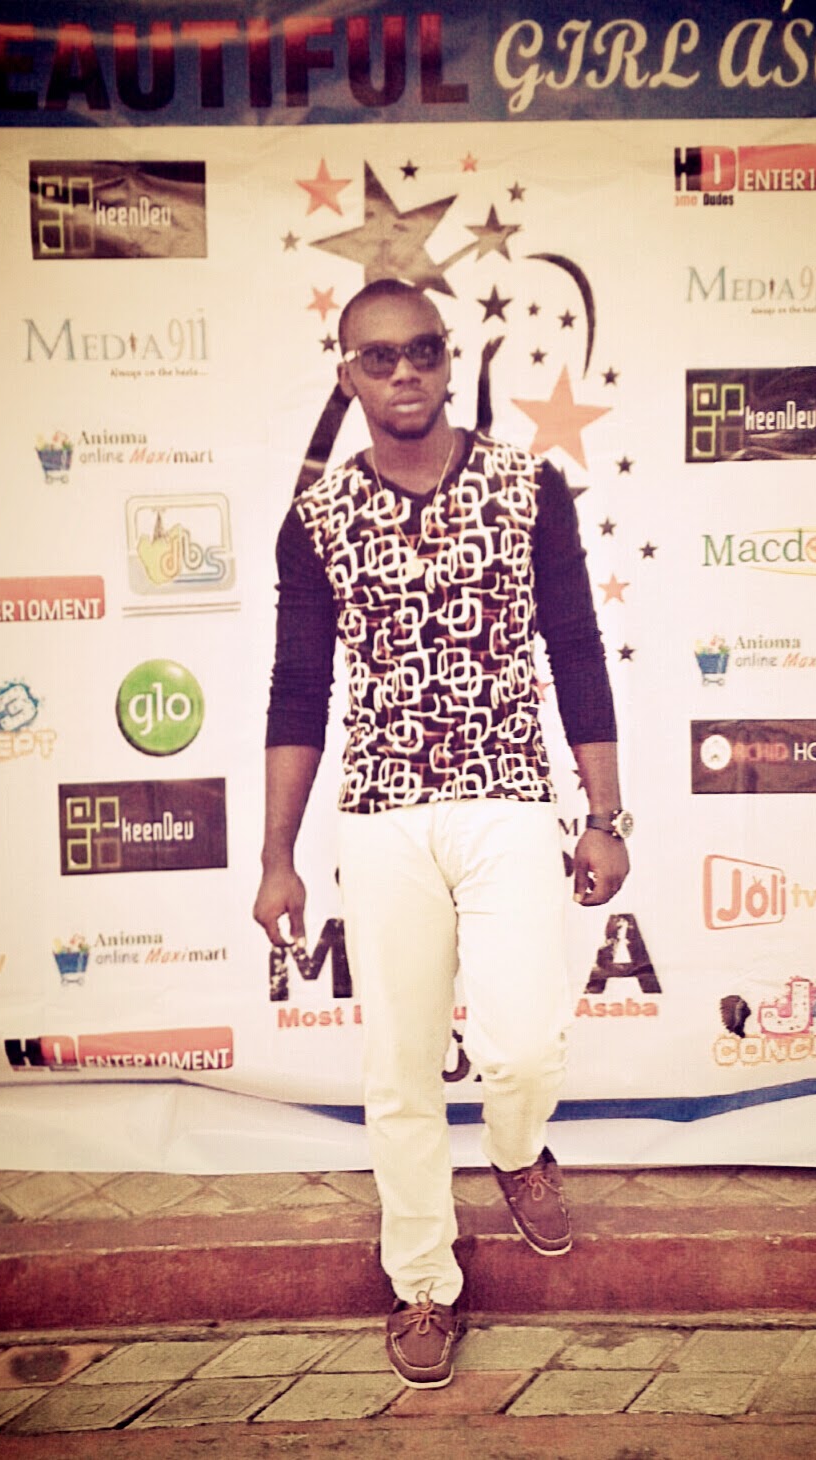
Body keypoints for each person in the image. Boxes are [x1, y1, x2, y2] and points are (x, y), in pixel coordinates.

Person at [253, 278, 631, 1389]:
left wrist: (603, 815)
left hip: (507, 795)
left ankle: (516, 1150)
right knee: (400, 1065)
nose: (405, 371)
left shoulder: (527, 488)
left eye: (422, 349)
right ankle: (422, 1279)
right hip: (379, 815)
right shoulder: (316, 518)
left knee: (523, 1045)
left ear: (448, 356)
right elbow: (297, 691)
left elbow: (576, 648)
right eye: (378, 357)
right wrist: (276, 855)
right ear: (348, 374)